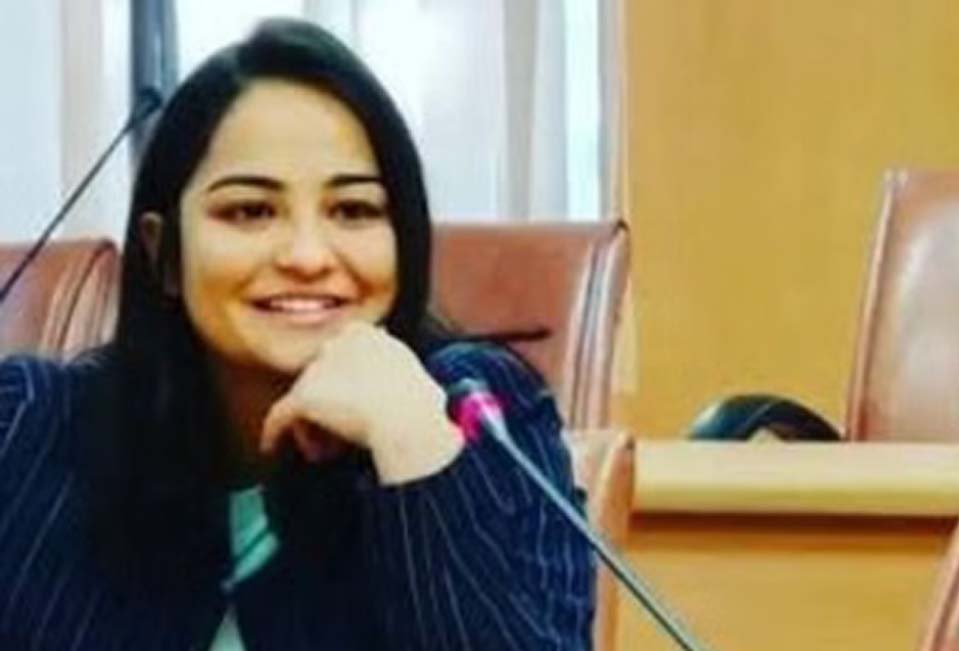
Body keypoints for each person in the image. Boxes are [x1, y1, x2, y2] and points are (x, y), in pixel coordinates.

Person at [0, 18, 594, 651]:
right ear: (163, 252)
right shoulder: (28, 427)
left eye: (354, 210)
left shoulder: (485, 419)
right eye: (250, 211)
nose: (308, 256)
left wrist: (415, 448)